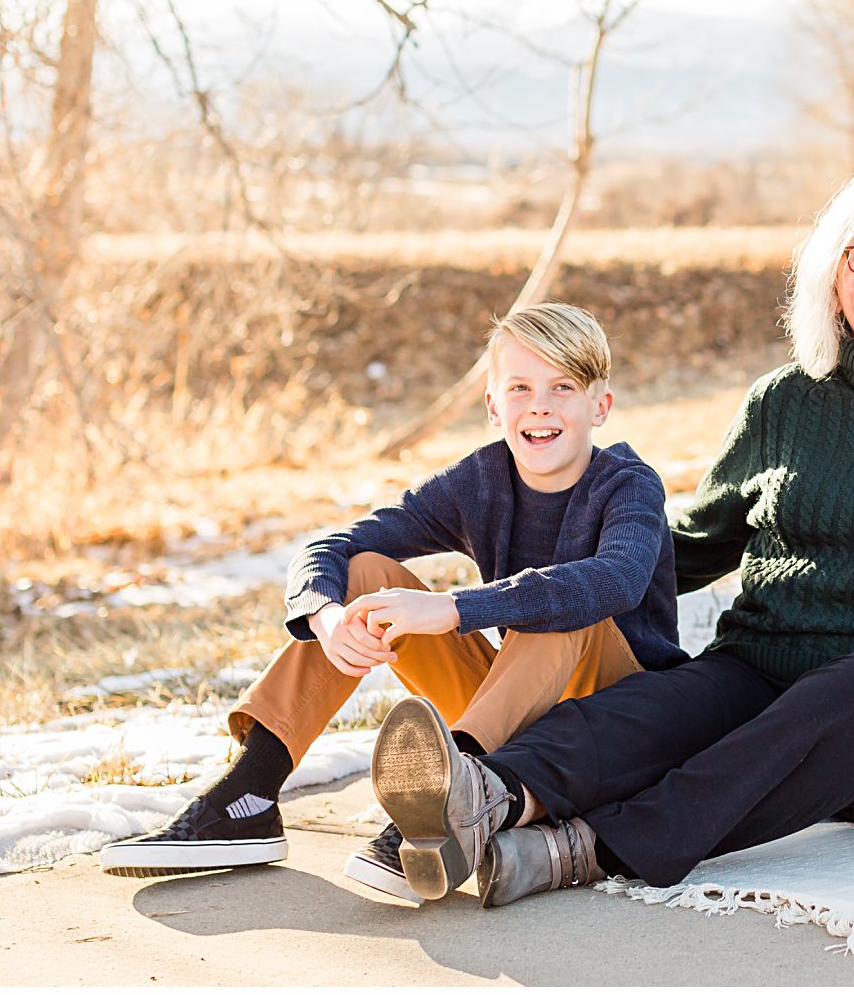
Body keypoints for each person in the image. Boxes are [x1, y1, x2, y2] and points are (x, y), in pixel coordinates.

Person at [365, 164, 854, 907]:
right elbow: (692, 543)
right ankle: (488, 796)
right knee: (657, 708)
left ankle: (588, 848)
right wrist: (579, 561)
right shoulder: (781, 403)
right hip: (763, 673)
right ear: (833, 278)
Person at [101, 303, 680, 900]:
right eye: (520, 387)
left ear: (600, 406)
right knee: (366, 573)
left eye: (563, 387)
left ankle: (449, 803)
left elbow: (615, 581)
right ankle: (249, 793)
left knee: (555, 604)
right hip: (520, 712)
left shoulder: (628, 483)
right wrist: (325, 618)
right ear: (493, 404)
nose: (539, 405)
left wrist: (452, 609)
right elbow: (334, 546)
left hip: (622, 721)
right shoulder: (481, 481)